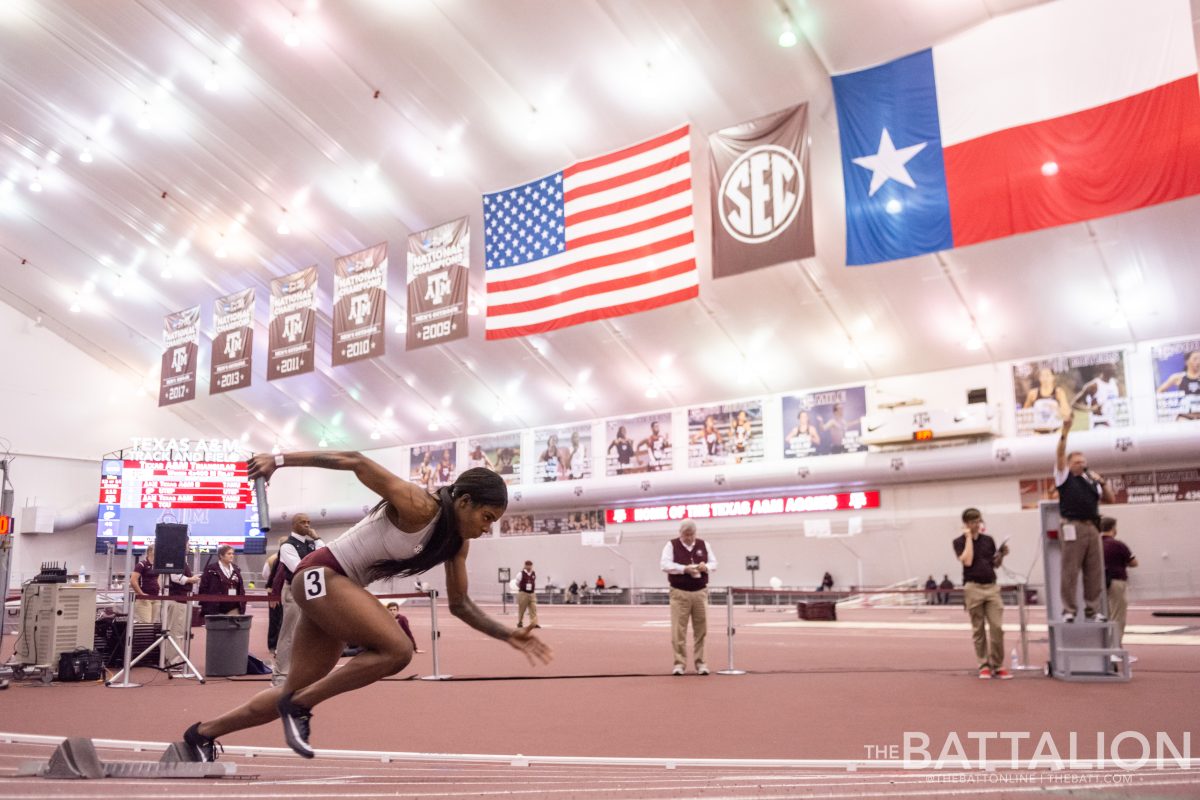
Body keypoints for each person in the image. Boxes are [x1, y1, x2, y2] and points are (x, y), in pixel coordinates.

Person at [179, 457, 550, 762]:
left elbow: (460, 605)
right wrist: (279, 461)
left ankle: (200, 735)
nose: (487, 529)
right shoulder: (418, 505)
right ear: (464, 501)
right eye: (486, 518)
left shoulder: (456, 543)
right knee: (398, 649)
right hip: (319, 574)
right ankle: (302, 705)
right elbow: (355, 461)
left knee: (289, 691)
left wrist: (507, 633)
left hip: (336, 589)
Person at [1054, 414, 1115, 622]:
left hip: (1092, 527)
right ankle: (1069, 610)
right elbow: (1060, 454)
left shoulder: (1092, 482)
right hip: (1073, 526)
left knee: (1094, 570)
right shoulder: (1064, 477)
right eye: (1078, 462)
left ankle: (1093, 609)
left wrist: (1103, 482)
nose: (1082, 465)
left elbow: (1110, 499)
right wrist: (1065, 432)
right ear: (1069, 464)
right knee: (1070, 569)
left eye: (1084, 462)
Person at [953, 508, 1011, 679]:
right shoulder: (959, 542)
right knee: (978, 629)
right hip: (973, 587)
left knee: (997, 627)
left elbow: (995, 564)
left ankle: (998, 664)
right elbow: (968, 560)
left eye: (978, 521)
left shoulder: (988, 540)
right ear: (965, 524)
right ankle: (983, 665)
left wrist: (1002, 554)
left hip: (991, 587)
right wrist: (969, 538)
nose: (976, 525)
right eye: (972, 522)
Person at [271, 513, 326, 687]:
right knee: (289, 633)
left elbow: (324, 557)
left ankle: (303, 672)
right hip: (293, 590)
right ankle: (280, 674)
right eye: (303, 523)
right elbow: (298, 567)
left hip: (311, 590)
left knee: (310, 632)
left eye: (309, 523)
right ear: (294, 525)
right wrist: (315, 563)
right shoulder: (287, 546)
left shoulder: (311, 543)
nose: (307, 526)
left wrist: (317, 538)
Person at [661, 520, 716, 675]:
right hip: (679, 593)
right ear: (680, 533)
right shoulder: (671, 545)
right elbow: (664, 565)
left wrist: (707, 567)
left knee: (701, 630)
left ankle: (702, 664)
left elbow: (714, 563)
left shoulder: (704, 544)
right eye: (686, 535)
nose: (689, 538)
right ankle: (679, 664)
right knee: (678, 630)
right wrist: (684, 569)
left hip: (700, 592)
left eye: (692, 534)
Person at [1101, 517, 1138, 655]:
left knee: (1102, 615)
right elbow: (1134, 562)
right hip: (1116, 581)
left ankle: (1103, 648)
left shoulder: (1095, 544)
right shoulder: (1118, 545)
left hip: (1097, 584)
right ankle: (1115, 649)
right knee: (1118, 616)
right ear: (1113, 528)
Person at [161, 556, 200, 668]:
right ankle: (173, 661)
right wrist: (190, 579)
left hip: (181, 600)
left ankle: (173, 658)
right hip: (178, 600)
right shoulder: (176, 559)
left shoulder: (180, 559)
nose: (189, 546)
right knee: (176, 631)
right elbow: (175, 577)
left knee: (178, 631)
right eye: (187, 543)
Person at [197, 545, 246, 616]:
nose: (232, 556)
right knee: (217, 626)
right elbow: (203, 588)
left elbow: (241, 588)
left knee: (232, 626)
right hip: (216, 607)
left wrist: (242, 603)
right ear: (221, 556)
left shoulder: (236, 569)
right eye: (229, 554)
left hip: (233, 607)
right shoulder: (211, 569)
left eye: (232, 553)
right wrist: (206, 605)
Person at [262, 534, 290, 655]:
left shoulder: (274, 558)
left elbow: (266, 575)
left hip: (281, 591)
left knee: (279, 619)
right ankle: (274, 645)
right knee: (277, 619)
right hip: (276, 591)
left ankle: (276, 645)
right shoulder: (274, 559)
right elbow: (269, 576)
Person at [1072, 363, 1122, 428]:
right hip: (1100, 423)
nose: (1114, 368)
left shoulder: (1115, 383)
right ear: (1104, 368)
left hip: (1113, 422)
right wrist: (1090, 409)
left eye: (1114, 366)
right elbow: (1074, 404)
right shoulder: (1093, 385)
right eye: (1111, 366)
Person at [1024, 366, 1071, 433]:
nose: (1045, 378)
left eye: (1047, 375)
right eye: (1042, 376)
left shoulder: (1059, 392)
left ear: (1053, 377)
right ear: (1039, 378)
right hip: (1038, 433)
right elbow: (1024, 414)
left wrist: (1056, 408)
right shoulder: (1033, 393)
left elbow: (1067, 414)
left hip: (1055, 432)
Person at [1156, 350, 1200, 420]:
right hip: (1185, 417)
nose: (1198, 362)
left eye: (1199, 358)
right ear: (1187, 361)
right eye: (1195, 359)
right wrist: (1166, 408)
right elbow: (1159, 390)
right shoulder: (1178, 377)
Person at [130, 543, 161, 624]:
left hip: (155, 597)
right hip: (144, 598)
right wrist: (141, 594)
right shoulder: (141, 564)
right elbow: (133, 581)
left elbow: (156, 579)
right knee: (146, 622)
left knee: (153, 623)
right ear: (150, 551)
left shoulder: (157, 565)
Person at [516, 560, 539, 628]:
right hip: (523, 593)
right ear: (525, 565)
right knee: (522, 609)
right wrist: (522, 588)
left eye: (530, 565)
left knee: (533, 608)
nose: (529, 566)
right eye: (527, 565)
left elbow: (533, 581)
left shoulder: (533, 573)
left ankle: (534, 623)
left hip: (532, 593)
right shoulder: (520, 574)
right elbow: (517, 583)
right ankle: (520, 622)